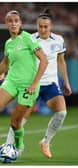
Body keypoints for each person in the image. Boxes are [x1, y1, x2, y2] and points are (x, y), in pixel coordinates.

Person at [6, 9, 72, 159]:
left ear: (51, 27)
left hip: (50, 84)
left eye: (45, 27)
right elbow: (18, 58)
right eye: (40, 26)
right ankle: (11, 147)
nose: (42, 29)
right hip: (31, 84)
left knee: (62, 112)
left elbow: (61, 62)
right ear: (36, 26)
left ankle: (46, 141)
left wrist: (66, 83)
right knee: (19, 120)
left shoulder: (58, 40)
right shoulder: (30, 39)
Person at [0, 10, 48, 157]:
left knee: (15, 122)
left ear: (20, 23)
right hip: (11, 82)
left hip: (28, 86)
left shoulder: (27, 38)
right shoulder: (8, 43)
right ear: (6, 24)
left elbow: (44, 60)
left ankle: (19, 145)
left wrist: (34, 84)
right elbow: (5, 63)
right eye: (10, 21)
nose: (13, 23)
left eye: (16, 21)